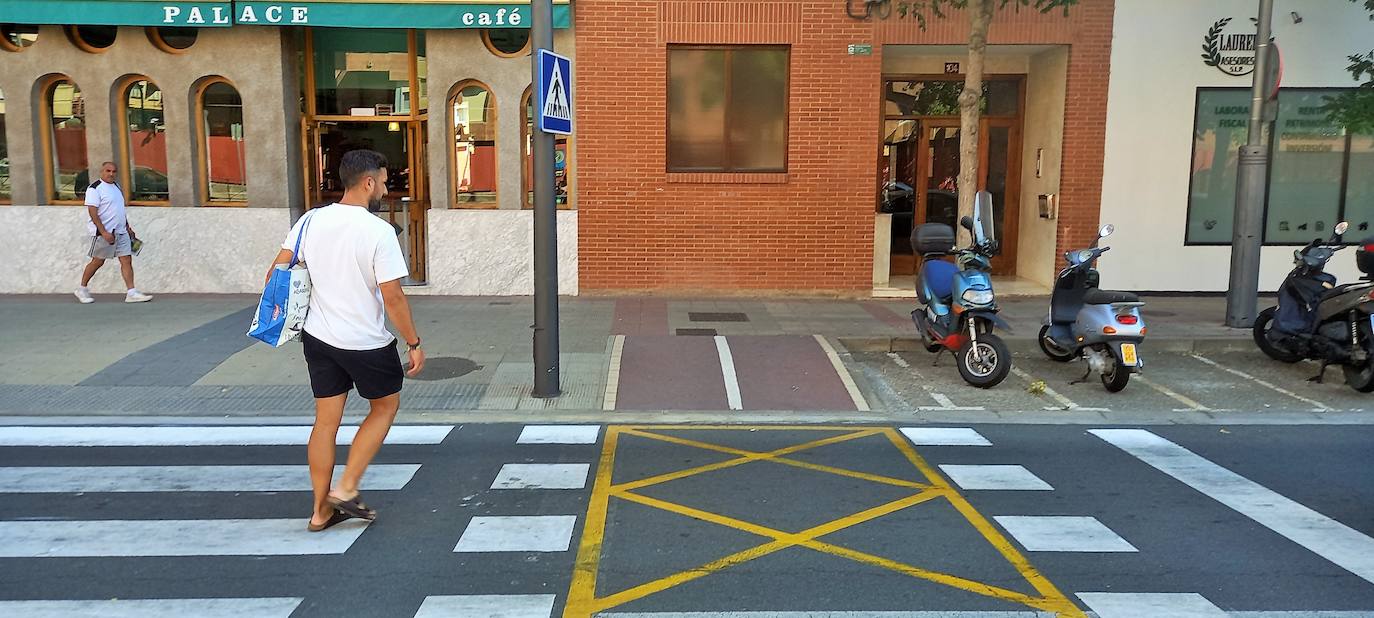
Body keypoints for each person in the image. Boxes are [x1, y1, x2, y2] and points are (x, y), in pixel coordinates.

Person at [263, 149, 425, 532]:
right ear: (368, 182)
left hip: (318, 338)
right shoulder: (378, 231)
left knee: (325, 422)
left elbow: (275, 272)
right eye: (384, 182)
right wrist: (413, 342)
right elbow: (393, 297)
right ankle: (347, 487)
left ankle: (320, 512)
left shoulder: (310, 221)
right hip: (366, 341)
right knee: (384, 408)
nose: (385, 188)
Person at [75, 162, 152, 304]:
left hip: (121, 231)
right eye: (108, 171)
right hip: (104, 233)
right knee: (98, 261)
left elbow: (119, 210)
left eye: (114, 171)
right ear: (102, 171)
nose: (111, 174)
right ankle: (82, 288)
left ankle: (131, 292)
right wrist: (103, 232)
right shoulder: (94, 189)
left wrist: (128, 227)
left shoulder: (116, 187)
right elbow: (92, 211)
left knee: (126, 260)